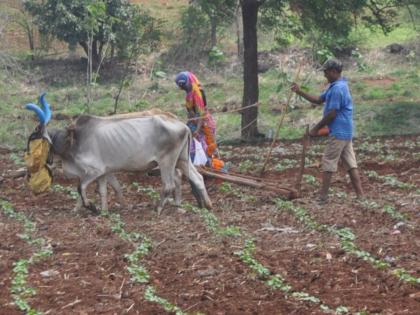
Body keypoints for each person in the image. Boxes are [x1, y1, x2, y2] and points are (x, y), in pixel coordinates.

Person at [291, 59, 364, 204]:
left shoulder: (337, 89)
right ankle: (361, 196)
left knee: (329, 162)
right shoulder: (337, 86)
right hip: (346, 131)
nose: (324, 75)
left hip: (338, 131)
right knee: (350, 163)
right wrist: (299, 91)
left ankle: (323, 197)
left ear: (334, 72)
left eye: (326, 72)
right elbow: (318, 100)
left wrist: (316, 129)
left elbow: (331, 113)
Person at [175, 71, 219, 159]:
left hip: (203, 125)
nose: (181, 88)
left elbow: (201, 113)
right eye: (180, 85)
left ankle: (208, 166)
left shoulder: (197, 94)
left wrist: (197, 130)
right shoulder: (189, 94)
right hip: (195, 123)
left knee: (206, 149)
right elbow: (191, 113)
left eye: (182, 85)